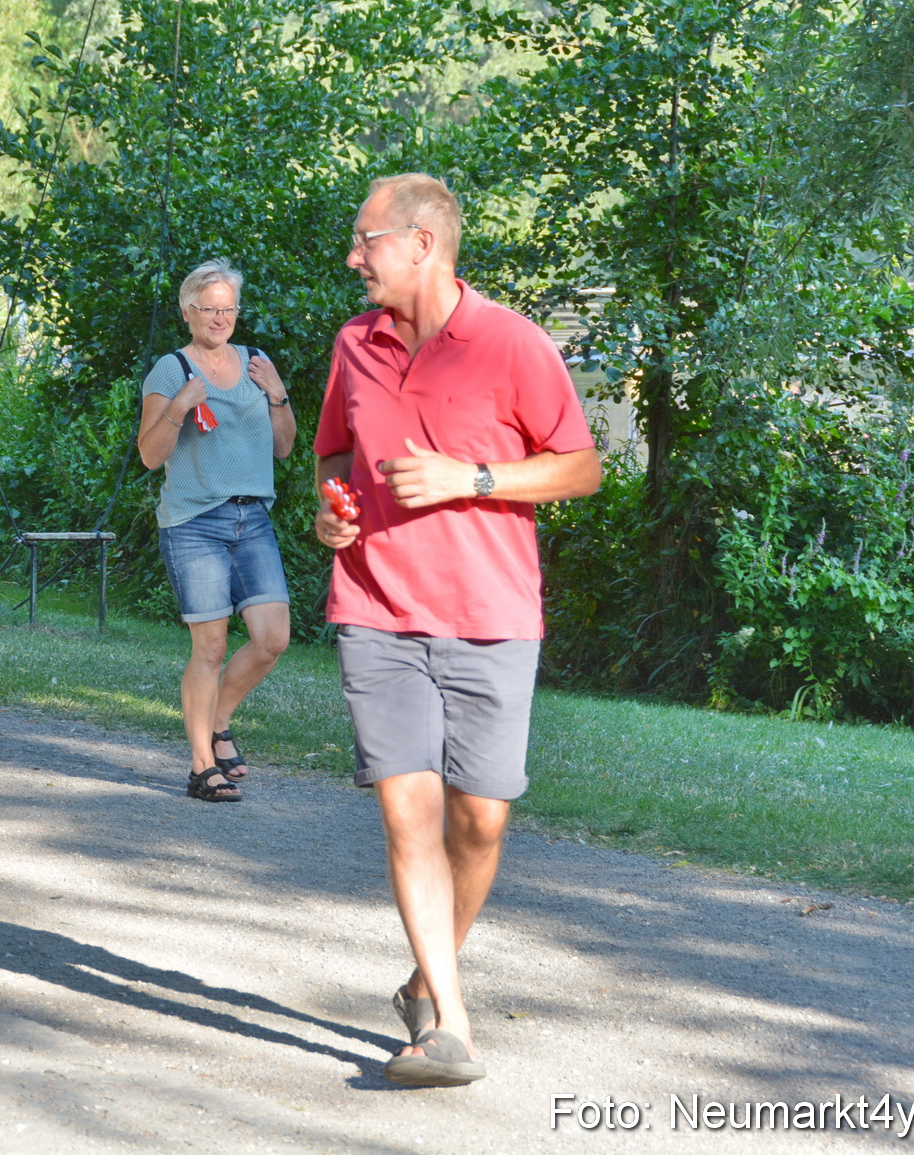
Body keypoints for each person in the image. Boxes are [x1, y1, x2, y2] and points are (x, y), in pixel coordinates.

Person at [312, 174, 601, 1086]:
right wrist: (331, 515)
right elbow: (331, 454)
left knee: (480, 820)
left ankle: (421, 980)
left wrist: (473, 478)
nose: (354, 257)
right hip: (376, 609)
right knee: (411, 813)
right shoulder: (354, 344)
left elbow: (581, 468)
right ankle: (450, 1021)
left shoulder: (512, 343)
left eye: (367, 240)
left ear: (422, 243)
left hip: (491, 617)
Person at [137, 258, 297, 802]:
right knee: (208, 648)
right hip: (194, 522)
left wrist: (278, 394)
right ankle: (202, 765)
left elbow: (284, 447)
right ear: (189, 312)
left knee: (272, 638)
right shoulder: (171, 370)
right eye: (210, 309)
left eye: (228, 309)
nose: (220, 318)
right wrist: (181, 406)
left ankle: (219, 719)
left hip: (252, 518)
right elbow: (150, 457)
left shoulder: (256, 362)